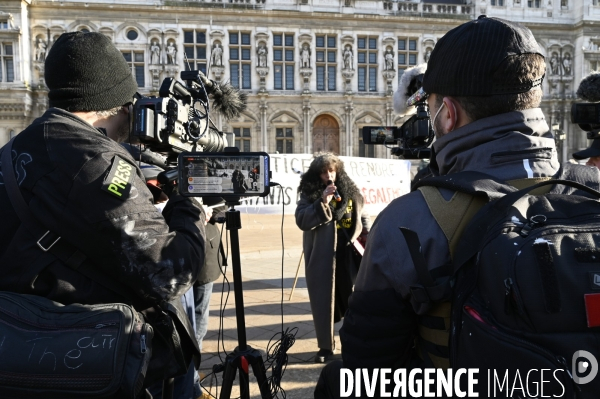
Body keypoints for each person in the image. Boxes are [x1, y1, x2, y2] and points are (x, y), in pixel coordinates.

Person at [316, 15, 600, 398]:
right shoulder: (593, 188)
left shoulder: (408, 223)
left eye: (430, 108)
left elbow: (367, 371)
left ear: (447, 114)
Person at [0, 31, 206, 397]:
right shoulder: (98, 161)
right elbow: (168, 273)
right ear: (119, 102)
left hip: (23, 355)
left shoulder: (15, 149)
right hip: (97, 363)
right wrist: (190, 203)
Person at [295, 153, 370, 364]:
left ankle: (352, 344)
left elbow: (362, 214)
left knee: (353, 301)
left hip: (349, 253)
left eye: (332, 171)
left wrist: (368, 234)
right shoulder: (309, 194)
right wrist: (322, 202)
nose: (329, 175)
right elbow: (302, 219)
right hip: (322, 256)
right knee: (324, 303)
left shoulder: (349, 190)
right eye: (324, 172)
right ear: (317, 174)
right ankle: (325, 347)